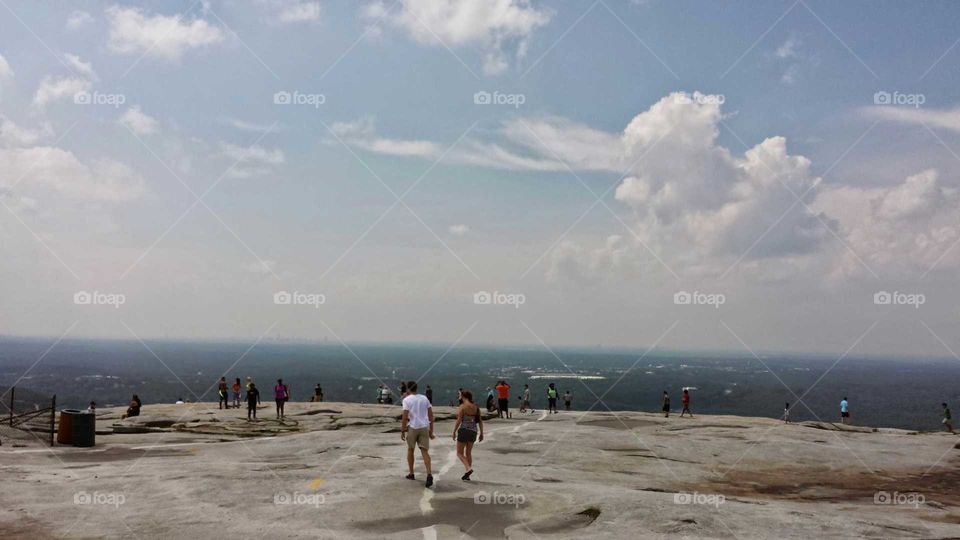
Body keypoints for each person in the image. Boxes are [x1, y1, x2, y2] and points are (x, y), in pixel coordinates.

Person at [400, 380, 435, 488]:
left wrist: (402, 430)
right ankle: (429, 474)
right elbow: (431, 416)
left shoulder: (406, 400)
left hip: (413, 427)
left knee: (411, 450)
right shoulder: (424, 398)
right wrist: (431, 431)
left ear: (408, 389)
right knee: (425, 451)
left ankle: (411, 473)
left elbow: (405, 417)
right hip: (424, 427)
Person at [452, 389, 484, 481]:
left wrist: (454, 431)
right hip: (473, 431)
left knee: (459, 453)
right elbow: (480, 421)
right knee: (468, 453)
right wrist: (481, 433)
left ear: (463, 396)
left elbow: (459, 420)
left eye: (460, 395)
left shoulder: (462, 406)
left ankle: (468, 469)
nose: (459, 397)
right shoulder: (476, 407)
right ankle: (467, 474)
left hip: (464, 430)